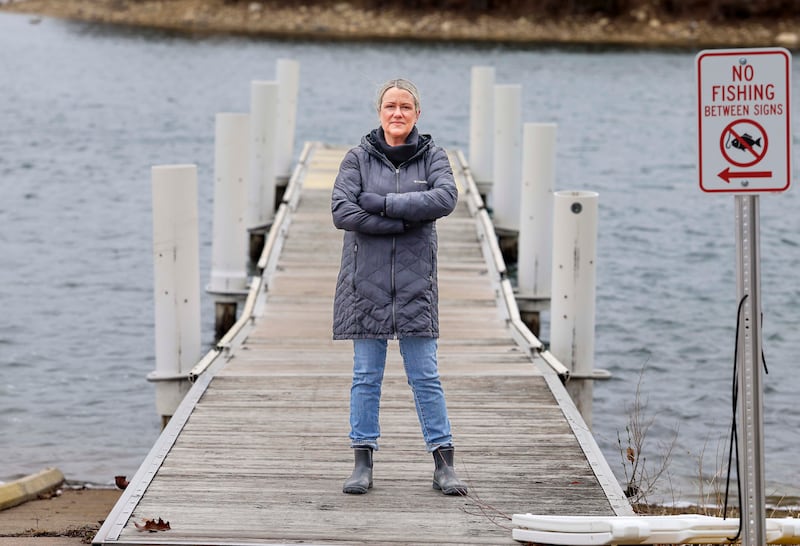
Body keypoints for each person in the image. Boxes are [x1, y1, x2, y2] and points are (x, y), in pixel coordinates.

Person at [330, 78, 467, 496]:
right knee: (366, 376)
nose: (397, 114)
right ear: (379, 112)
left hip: (414, 285)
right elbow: (341, 210)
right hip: (364, 285)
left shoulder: (433, 157)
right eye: (390, 106)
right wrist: (402, 221)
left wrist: (382, 203)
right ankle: (362, 462)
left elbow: (445, 199)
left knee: (426, 376)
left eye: (406, 107)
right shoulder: (357, 158)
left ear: (417, 114)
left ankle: (443, 464)